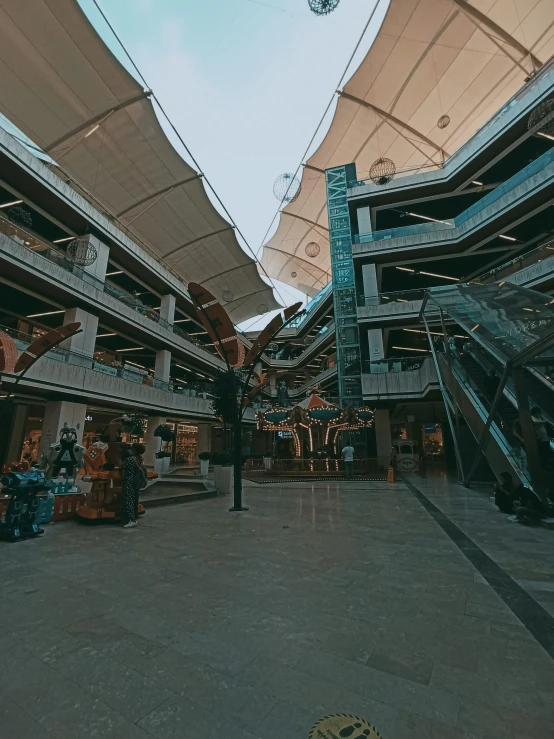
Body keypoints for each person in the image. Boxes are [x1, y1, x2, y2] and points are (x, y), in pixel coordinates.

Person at [121, 442, 146, 529]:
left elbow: (122, 465)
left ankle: (131, 520)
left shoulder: (130, 459)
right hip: (136, 482)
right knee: (135, 498)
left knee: (128, 500)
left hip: (129, 481)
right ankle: (134, 516)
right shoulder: (140, 458)